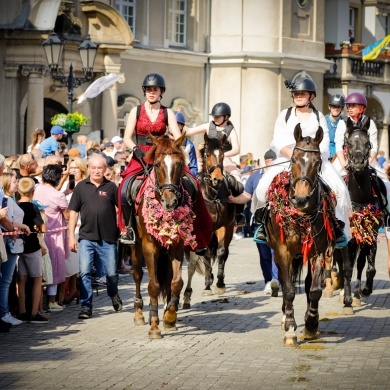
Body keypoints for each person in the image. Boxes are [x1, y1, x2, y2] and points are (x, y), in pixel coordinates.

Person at [117, 73, 212, 252]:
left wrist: (176, 148)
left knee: (193, 183)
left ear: (161, 92)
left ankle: (193, 230)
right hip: (141, 154)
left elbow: (178, 136)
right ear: (145, 91)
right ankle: (129, 229)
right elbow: (127, 137)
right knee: (124, 189)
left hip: (163, 153)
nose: (152, 92)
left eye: (155, 89)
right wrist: (135, 149)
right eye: (149, 89)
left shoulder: (167, 112)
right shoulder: (135, 111)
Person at [253, 77, 352, 245]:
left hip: (314, 160)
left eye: (302, 93)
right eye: (296, 93)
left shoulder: (319, 116)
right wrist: (294, 154)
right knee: (262, 188)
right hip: (288, 158)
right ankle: (263, 225)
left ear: (311, 96)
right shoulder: (285, 115)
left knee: (341, 191)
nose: (298, 96)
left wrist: (311, 156)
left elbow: (325, 142)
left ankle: (337, 228)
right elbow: (277, 140)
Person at [68, 154, 123, 319]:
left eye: (100, 168)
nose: (97, 171)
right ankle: (86, 306)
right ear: (89, 168)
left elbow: (121, 209)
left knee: (112, 273)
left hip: (108, 238)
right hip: (86, 237)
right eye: (94, 168)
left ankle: (113, 293)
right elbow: (73, 213)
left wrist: (123, 226)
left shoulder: (112, 187)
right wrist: (71, 236)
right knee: (84, 272)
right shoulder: (80, 187)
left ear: (105, 169)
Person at [184, 102, 246, 226]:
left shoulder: (230, 130)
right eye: (214, 116)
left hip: (225, 161)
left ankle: (238, 215)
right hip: (208, 162)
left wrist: (222, 156)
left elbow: (237, 149)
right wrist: (177, 118)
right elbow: (189, 131)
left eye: (217, 116)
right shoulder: (208, 126)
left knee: (239, 186)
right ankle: (190, 210)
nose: (214, 118)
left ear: (226, 117)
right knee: (193, 182)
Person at [229, 149, 279, 295]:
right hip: (259, 222)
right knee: (264, 255)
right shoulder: (255, 176)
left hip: (276, 222)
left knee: (275, 251)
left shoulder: (280, 175)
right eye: (270, 162)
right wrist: (234, 200)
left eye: (274, 162)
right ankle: (268, 281)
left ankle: (276, 279)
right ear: (266, 162)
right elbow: (246, 195)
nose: (271, 164)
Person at [33, 165, 70, 311]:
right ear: (58, 177)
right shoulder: (58, 195)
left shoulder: (37, 189)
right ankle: (52, 301)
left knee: (40, 269)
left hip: (39, 233)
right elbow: (67, 215)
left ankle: (39, 303)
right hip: (55, 234)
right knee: (54, 266)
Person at [0, 169, 31, 326]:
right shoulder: (5, 200)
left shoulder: (10, 199)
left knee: (7, 280)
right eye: (14, 181)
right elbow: (6, 220)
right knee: (5, 280)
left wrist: (21, 226)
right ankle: (4, 313)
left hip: (11, 240)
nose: (17, 183)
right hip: (7, 242)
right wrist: (17, 228)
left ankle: (5, 312)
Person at [16, 177, 48, 323]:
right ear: (32, 192)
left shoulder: (15, 206)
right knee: (37, 278)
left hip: (17, 246)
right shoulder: (32, 207)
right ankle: (34, 313)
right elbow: (42, 228)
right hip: (32, 246)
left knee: (21, 279)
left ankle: (22, 310)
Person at [175, 111, 198, 176]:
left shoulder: (189, 145)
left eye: (176, 124)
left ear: (182, 126)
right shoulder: (164, 143)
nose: (173, 127)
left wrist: (188, 176)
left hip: (184, 176)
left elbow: (194, 167)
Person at [325, 94, 345, 159]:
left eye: (338, 107)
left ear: (341, 108)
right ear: (329, 107)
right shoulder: (322, 120)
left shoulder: (345, 123)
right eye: (333, 106)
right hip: (324, 155)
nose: (336, 109)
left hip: (340, 155)